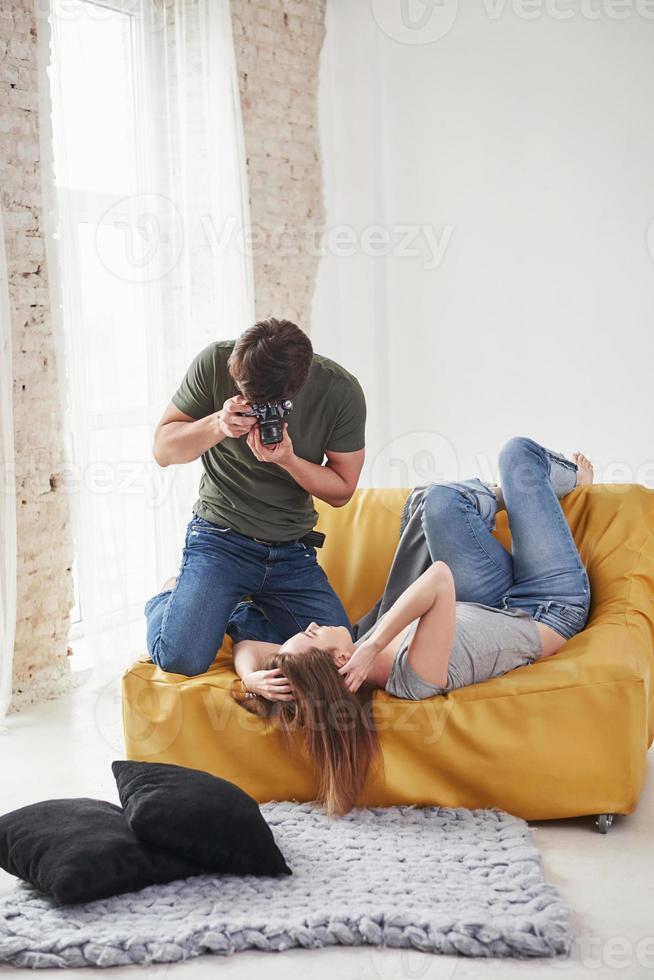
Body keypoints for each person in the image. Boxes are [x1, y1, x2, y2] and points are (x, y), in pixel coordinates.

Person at [231, 436, 593, 814]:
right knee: (516, 455)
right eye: (310, 634)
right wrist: (373, 644)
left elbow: (250, 648)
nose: (311, 625)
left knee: (438, 501)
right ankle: (570, 480)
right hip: (547, 605)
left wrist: (250, 679)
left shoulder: (347, 654)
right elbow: (439, 578)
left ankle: (504, 496)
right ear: (340, 661)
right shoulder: (413, 675)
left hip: (485, 601)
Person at [144, 317, 366, 676]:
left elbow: (342, 490)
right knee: (181, 658)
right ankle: (172, 594)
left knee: (338, 662)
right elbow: (163, 451)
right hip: (219, 540)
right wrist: (217, 423)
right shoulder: (214, 362)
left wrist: (289, 460)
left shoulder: (340, 391)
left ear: (294, 388)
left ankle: (237, 612)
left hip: (290, 553)